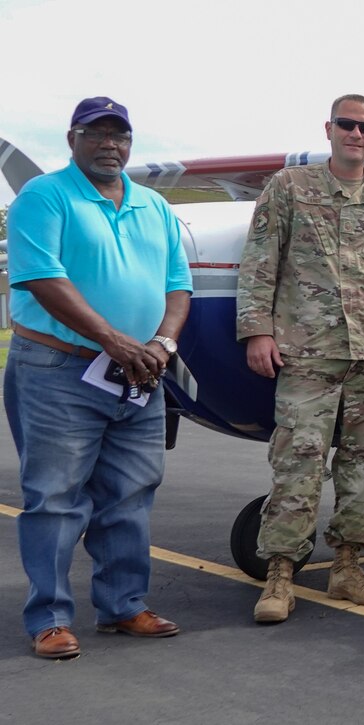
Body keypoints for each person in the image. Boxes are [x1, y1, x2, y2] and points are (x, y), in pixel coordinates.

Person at [4, 97, 192, 658]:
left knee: (131, 494)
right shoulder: (44, 197)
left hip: (139, 373)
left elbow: (177, 285)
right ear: (72, 139)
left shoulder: (154, 205)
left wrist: (162, 343)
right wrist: (114, 340)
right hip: (60, 370)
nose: (110, 143)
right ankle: (50, 618)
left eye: (120, 135)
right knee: (56, 496)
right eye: (97, 133)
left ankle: (124, 605)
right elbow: (42, 278)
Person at [236, 94, 364, 624]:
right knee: (297, 460)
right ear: (328, 129)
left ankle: (348, 565)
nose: (356, 133)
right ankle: (280, 573)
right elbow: (260, 262)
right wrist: (256, 330)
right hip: (307, 350)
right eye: (347, 124)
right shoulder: (290, 187)